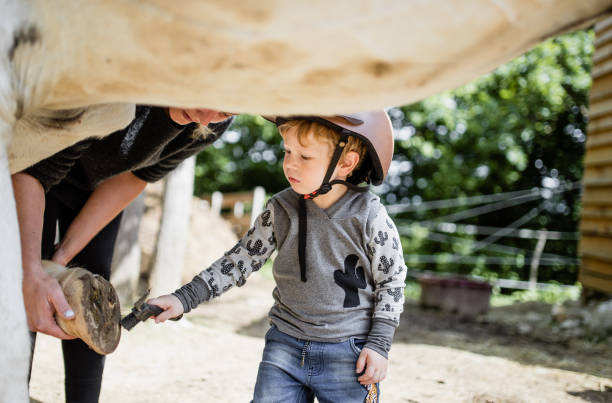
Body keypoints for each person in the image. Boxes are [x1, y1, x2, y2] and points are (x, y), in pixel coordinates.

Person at [149, 111, 407, 402]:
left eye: (305, 157)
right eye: (287, 151)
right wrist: (184, 298)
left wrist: (379, 344)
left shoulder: (370, 217)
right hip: (284, 346)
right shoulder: (281, 210)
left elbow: (392, 283)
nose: (290, 163)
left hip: (349, 353)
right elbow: (239, 261)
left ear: (346, 163)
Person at [12, 106, 233, 403]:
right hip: (37, 168)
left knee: (95, 290)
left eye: (222, 113)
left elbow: (137, 176)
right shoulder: (122, 96)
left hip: (99, 185)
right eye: (206, 103)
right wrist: (31, 268)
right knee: (21, 290)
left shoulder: (211, 125)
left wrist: (63, 256)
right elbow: (35, 169)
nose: (206, 119)